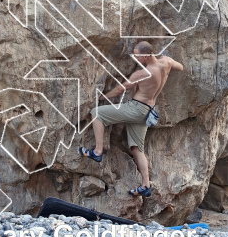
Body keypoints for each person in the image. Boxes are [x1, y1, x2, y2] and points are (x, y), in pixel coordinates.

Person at [79, 41, 184, 197]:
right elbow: (180, 67)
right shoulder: (166, 62)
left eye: (138, 55)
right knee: (136, 148)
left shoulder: (142, 73)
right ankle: (145, 185)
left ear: (147, 55)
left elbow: (121, 89)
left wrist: (103, 97)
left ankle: (97, 151)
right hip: (148, 111)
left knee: (97, 113)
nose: (135, 58)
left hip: (136, 108)